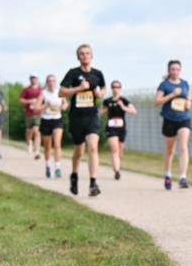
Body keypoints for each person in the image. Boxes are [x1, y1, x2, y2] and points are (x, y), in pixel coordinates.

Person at [60, 43, 106, 197]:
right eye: (82, 53)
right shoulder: (73, 73)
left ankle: (93, 183)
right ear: (78, 57)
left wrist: (100, 93)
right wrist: (78, 89)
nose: (85, 56)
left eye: (87, 53)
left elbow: (103, 88)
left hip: (92, 115)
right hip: (76, 117)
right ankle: (74, 175)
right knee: (79, 151)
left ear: (91, 56)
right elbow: (61, 92)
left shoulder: (97, 74)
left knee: (93, 147)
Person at [155, 60, 192, 190]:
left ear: (180, 70)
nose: (175, 71)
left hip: (184, 118)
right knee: (170, 150)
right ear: (168, 70)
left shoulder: (185, 83)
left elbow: (189, 98)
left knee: (183, 147)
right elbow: (157, 101)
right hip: (169, 119)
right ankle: (168, 174)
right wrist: (172, 95)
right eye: (172, 69)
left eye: (177, 69)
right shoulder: (164, 85)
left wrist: (188, 103)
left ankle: (183, 177)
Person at [101, 80, 137, 180]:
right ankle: (117, 171)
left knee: (120, 152)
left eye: (117, 87)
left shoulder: (124, 100)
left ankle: (117, 165)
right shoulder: (107, 101)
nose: (115, 89)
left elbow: (134, 111)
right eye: (113, 87)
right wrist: (103, 111)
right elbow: (101, 112)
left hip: (121, 128)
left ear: (120, 89)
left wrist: (123, 107)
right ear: (111, 88)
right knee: (114, 149)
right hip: (111, 128)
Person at [34, 74, 67, 178]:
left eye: (53, 81)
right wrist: (45, 105)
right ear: (47, 83)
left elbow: (65, 104)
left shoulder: (60, 92)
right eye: (49, 81)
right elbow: (36, 108)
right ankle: (48, 166)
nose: (51, 83)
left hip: (57, 120)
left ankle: (58, 168)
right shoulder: (43, 93)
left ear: (55, 82)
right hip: (46, 120)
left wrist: (63, 107)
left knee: (57, 144)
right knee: (47, 147)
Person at [19, 75, 43, 159]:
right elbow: (21, 100)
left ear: (37, 79)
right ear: (30, 79)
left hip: (38, 113)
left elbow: (44, 101)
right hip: (28, 113)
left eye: (35, 78)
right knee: (29, 131)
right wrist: (30, 101)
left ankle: (37, 150)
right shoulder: (26, 89)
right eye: (32, 78)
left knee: (37, 130)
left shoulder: (41, 90)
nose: (33, 79)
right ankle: (29, 143)